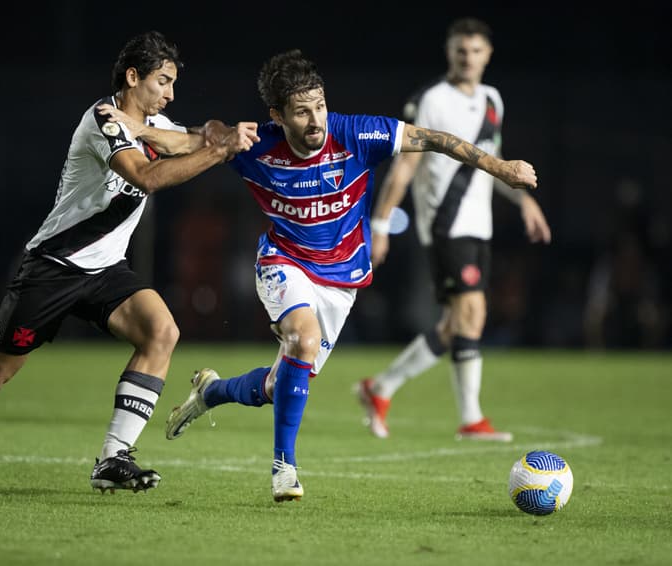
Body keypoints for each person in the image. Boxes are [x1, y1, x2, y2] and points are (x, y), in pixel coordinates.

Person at [100, 47, 537, 502]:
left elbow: (437, 141)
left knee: (278, 384)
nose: (315, 122)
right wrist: (135, 127)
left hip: (341, 281)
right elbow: (184, 142)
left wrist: (502, 169)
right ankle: (283, 468)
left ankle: (212, 392)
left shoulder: (357, 133)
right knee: (302, 341)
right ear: (277, 116)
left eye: (320, 107)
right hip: (283, 263)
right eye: (301, 112)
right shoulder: (255, 145)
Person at [0, 30, 259, 497]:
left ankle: (114, 458)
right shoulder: (102, 121)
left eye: (173, 83)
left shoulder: (153, 123)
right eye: (162, 81)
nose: (170, 93)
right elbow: (147, 176)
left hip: (106, 270)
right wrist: (217, 149)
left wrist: (218, 135)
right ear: (132, 77)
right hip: (53, 266)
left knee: (162, 330)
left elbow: (196, 134)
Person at [356, 17, 551, 441]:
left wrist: (525, 200)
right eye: (461, 50)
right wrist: (381, 224)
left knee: (455, 323)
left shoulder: (493, 100)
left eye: (476, 50)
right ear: (450, 53)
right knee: (472, 312)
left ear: (488, 55)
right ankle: (471, 419)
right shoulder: (431, 99)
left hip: (479, 226)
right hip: (444, 224)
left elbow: (494, 164)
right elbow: (404, 166)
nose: (468, 58)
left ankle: (380, 387)